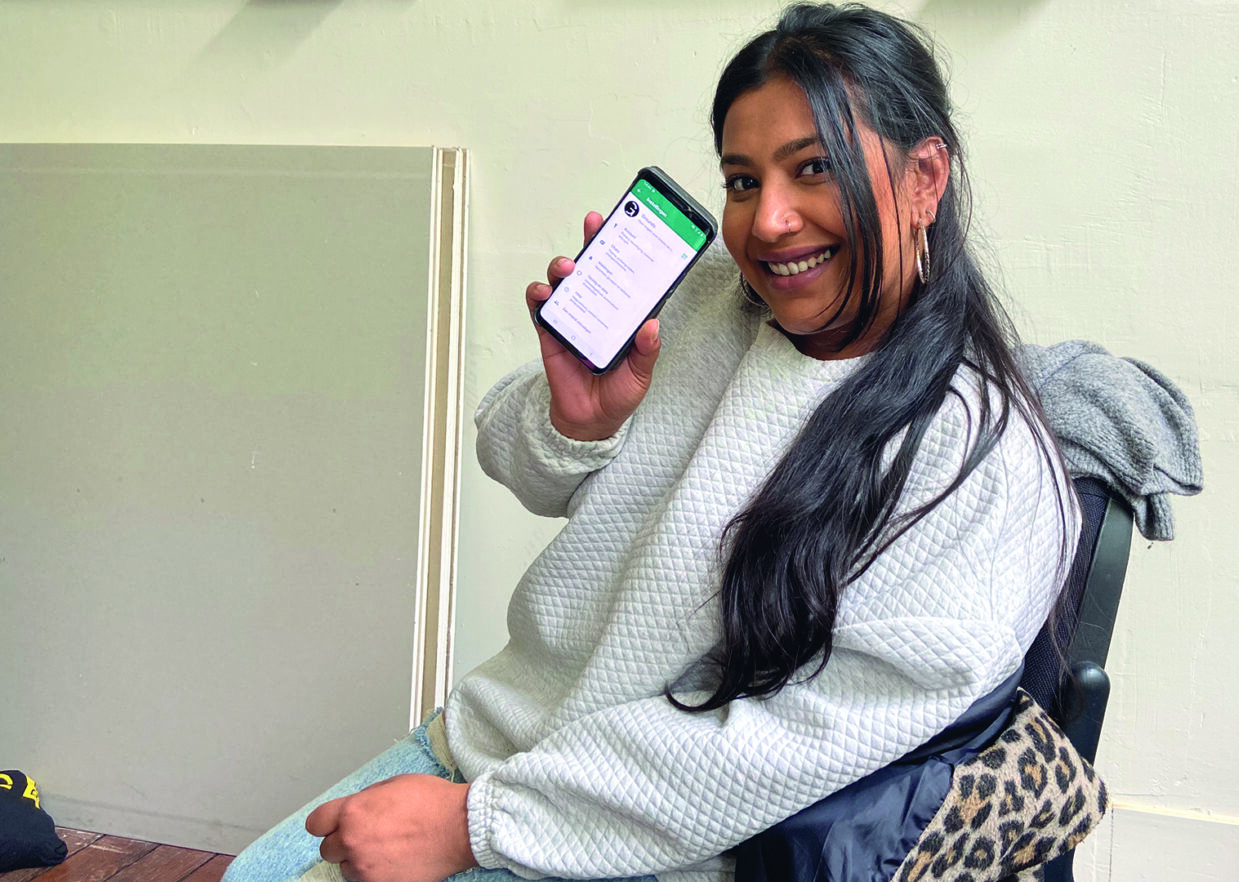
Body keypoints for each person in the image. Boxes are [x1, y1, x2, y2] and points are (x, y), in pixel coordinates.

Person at [224, 4, 1077, 882]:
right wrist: (576, 422)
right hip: (484, 746)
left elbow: (783, 749)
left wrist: (474, 827)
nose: (769, 220)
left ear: (924, 178)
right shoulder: (703, 300)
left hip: (640, 843)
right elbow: (511, 460)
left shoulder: (978, 456)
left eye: (813, 168)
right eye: (741, 180)